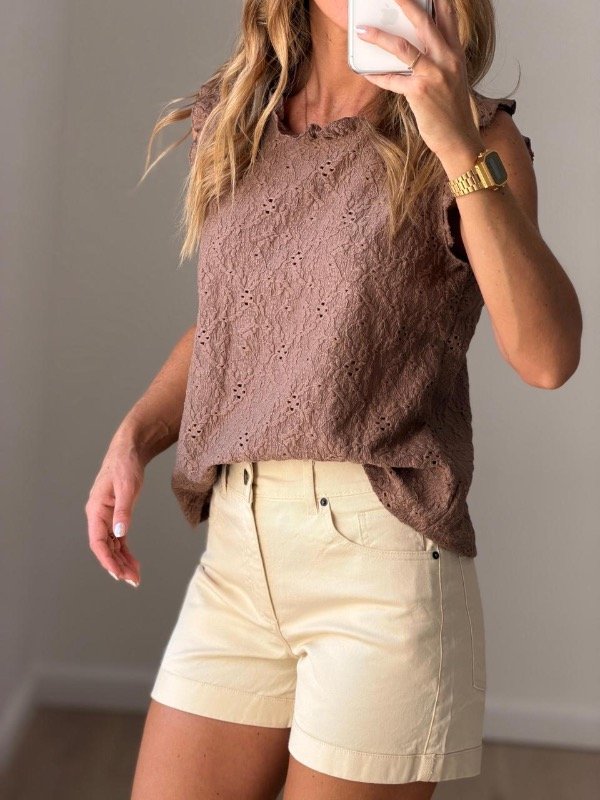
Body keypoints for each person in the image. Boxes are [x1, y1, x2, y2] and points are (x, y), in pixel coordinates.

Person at [85, 1, 581, 798]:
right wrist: (134, 436)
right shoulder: (239, 118)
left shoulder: (479, 138)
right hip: (238, 557)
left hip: (380, 568)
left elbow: (548, 357)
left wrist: (455, 144)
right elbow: (237, 326)